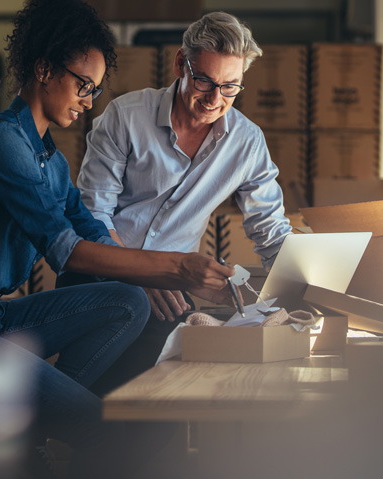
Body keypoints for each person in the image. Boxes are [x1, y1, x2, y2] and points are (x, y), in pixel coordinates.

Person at [0, 0, 233, 479]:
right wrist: (179, 268)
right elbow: (67, 251)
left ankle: (29, 424)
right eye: (82, 85)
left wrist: (170, 280)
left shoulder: (50, 161)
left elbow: (91, 229)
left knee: (127, 300)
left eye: (95, 90)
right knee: (103, 429)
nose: (89, 101)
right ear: (44, 67)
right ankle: (44, 425)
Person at [66, 11, 292, 396]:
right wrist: (143, 272)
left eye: (230, 87)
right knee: (93, 405)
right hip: (100, 279)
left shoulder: (247, 142)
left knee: (165, 407)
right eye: (203, 80)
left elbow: (270, 232)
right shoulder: (124, 117)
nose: (214, 99)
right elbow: (92, 216)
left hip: (170, 293)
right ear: (180, 65)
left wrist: (308, 285)